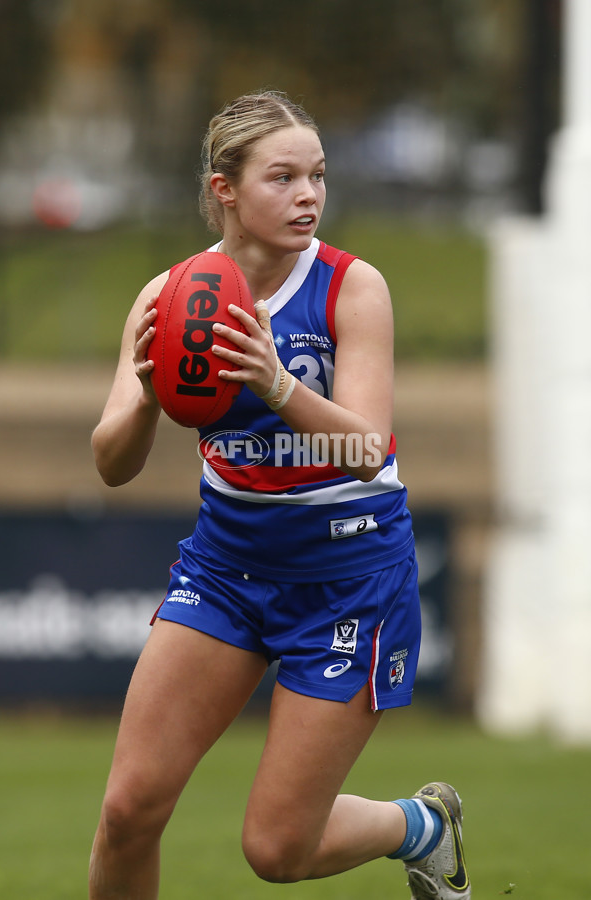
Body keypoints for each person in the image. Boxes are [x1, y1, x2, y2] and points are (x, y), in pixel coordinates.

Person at [88, 90, 470, 900]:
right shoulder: (169, 296)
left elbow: (366, 449)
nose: (308, 196)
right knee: (127, 810)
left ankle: (424, 826)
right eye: (283, 177)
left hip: (348, 577)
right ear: (224, 188)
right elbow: (111, 463)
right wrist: (151, 398)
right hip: (226, 567)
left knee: (276, 851)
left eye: (318, 176)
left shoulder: (350, 287)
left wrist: (275, 385)